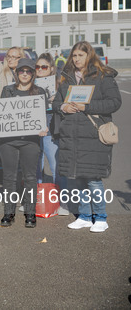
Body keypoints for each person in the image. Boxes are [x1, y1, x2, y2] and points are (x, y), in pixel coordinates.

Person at [53, 41, 121, 233]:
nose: (76, 59)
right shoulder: (66, 78)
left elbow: (115, 102)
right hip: (72, 135)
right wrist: (63, 107)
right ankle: (84, 216)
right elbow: (57, 102)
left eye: (80, 55)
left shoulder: (102, 76)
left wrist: (87, 107)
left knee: (93, 179)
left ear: (89, 56)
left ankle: (100, 217)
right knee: (78, 178)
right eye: (74, 56)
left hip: (92, 135)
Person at [0, 58, 48, 228]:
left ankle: (30, 213)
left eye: (28, 71)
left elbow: (43, 116)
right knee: (9, 178)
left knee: (30, 177)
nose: (25, 74)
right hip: (9, 141)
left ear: (33, 74)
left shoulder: (40, 92)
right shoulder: (8, 91)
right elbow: (0, 115)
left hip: (31, 141)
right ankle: (9, 212)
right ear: (16, 73)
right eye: (22, 71)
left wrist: (44, 128)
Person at [35, 53, 69, 216]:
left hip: (51, 126)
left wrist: (58, 100)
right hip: (33, 128)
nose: (40, 70)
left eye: (44, 67)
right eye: (38, 67)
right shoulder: (29, 83)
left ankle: (60, 203)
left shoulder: (59, 84)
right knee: (36, 166)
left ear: (51, 69)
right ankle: (37, 200)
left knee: (55, 165)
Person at [0, 25, 25, 99]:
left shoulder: (26, 73)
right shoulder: (2, 71)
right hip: (3, 107)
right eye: (8, 56)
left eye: (13, 57)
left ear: (20, 58)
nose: (10, 59)